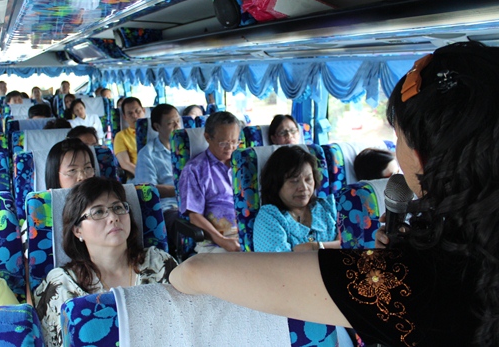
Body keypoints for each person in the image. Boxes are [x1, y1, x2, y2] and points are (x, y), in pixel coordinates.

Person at [170, 43, 499, 346]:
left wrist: (390, 263)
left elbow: (195, 271)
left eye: (397, 137)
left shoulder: (413, 278)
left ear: (420, 157)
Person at [33, 177, 177, 347]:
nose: (113, 217)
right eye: (98, 212)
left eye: (118, 208)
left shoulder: (159, 263)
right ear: (77, 230)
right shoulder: (61, 285)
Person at [254, 145, 339, 252]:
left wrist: (313, 247)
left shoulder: (328, 207)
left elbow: (352, 245)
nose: (304, 187)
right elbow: (278, 261)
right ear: (276, 184)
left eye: (308, 179)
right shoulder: (270, 217)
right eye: (294, 181)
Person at [178, 111, 241, 253]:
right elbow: (194, 216)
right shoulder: (195, 170)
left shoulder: (245, 164)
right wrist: (222, 240)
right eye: (224, 143)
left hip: (250, 235)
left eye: (235, 142)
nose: (230, 147)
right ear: (208, 137)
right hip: (216, 242)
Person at [134, 104, 180, 211]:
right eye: (170, 123)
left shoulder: (190, 148)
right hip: (170, 206)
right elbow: (146, 189)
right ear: (157, 127)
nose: (177, 126)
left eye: (178, 121)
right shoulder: (147, 154)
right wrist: (180, 190)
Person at [113, 97, 145, 179]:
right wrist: (145, 175)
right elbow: (125, 164)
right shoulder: (121, 136)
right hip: (137, 177)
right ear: (124, 117)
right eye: (130, 113)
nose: (135, 115)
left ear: (144, 111)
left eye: (137, 111)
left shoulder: (156, 131)